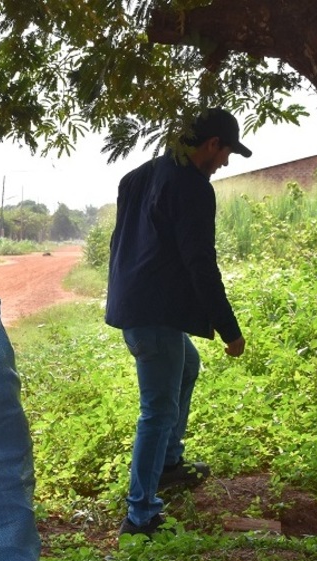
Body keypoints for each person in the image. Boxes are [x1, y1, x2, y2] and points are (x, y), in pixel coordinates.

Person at [105, 108, 250, 537]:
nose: (224, 162)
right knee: (157, 410)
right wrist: (231, 329)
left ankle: (168, 464)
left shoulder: (139, 176)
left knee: (187, 365)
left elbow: (122, 244)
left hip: (137, 304)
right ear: (211, 145)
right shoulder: (191, 186)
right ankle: (140, 515)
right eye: (225, 153)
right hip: (154, 315)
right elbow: (200, 264)